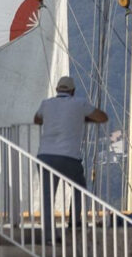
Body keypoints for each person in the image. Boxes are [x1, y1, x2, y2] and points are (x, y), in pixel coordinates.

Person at [35, 74, 109, 232]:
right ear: (73, 91)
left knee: (47, 197)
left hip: (45, 156)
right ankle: (74, 222)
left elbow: (37, 119)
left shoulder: (46, 104)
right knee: (79, 188)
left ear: (56, 89)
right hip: (69, 157)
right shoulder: (79, 104)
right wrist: (83, 119)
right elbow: (102, 117)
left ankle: (48, 235)